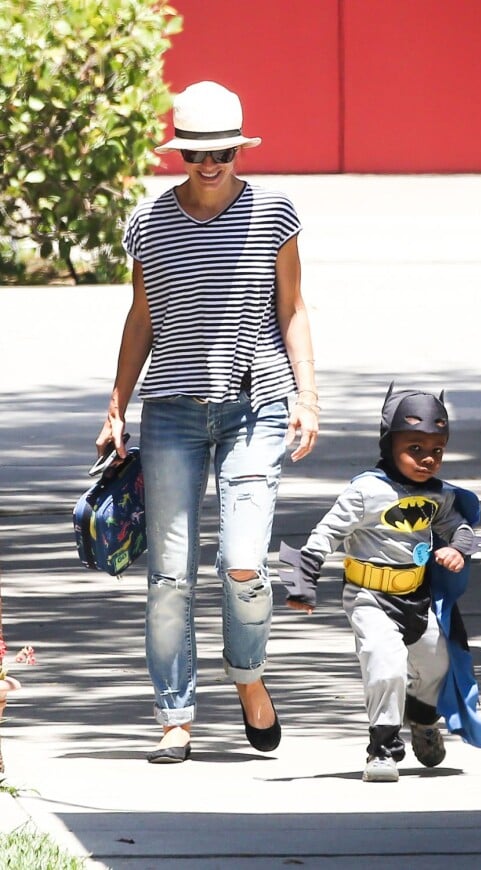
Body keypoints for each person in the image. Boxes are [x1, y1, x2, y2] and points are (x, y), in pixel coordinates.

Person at [96, 81, 319, 763]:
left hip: (257, 405)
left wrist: (309, 397)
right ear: (181, 154)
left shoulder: (274, 212)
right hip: (172, 413)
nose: (211, 162)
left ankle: (248, 677)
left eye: (223, 150)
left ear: (240, 147)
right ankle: (175, 715)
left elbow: (293, 308)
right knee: (169, 575)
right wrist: (116, 403)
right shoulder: (148, 223)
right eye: (197, 152)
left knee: (243, 564)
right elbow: (143, 316)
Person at [279, 384, 481, 782]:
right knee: (385, 664)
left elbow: (458, 526)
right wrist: (303, 582)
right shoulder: (365, 491)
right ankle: (382, 748)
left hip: (416, 595)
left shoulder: (439, 495)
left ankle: (423, 716)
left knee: (436, 662)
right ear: (389, 443)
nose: (427, 458)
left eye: (436, 449)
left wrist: (458, 549)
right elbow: (324, 535)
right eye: (415, 448)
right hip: (368, 596)